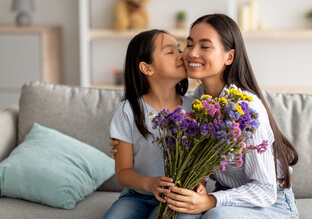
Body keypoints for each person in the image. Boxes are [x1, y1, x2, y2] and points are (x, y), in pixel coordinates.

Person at [110, 14, 299, 219]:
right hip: (225, 193)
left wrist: (211, 200)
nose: (191, 54)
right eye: (189, 45)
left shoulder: (247, 109)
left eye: (205, 46)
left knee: (216, 216)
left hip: (269, 201)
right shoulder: (198, 102)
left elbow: (265, 190)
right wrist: (128, 143)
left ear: (229, 57)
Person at [102, 29, 195, 219]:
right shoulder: (128, 110)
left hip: (177, 197)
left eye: (179, 49)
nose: (182, 55)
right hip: (137, 196)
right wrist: (150, 184)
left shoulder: (195, 108)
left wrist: (198, 183)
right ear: (147, 68)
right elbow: (122, 172)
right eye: (170, 52)